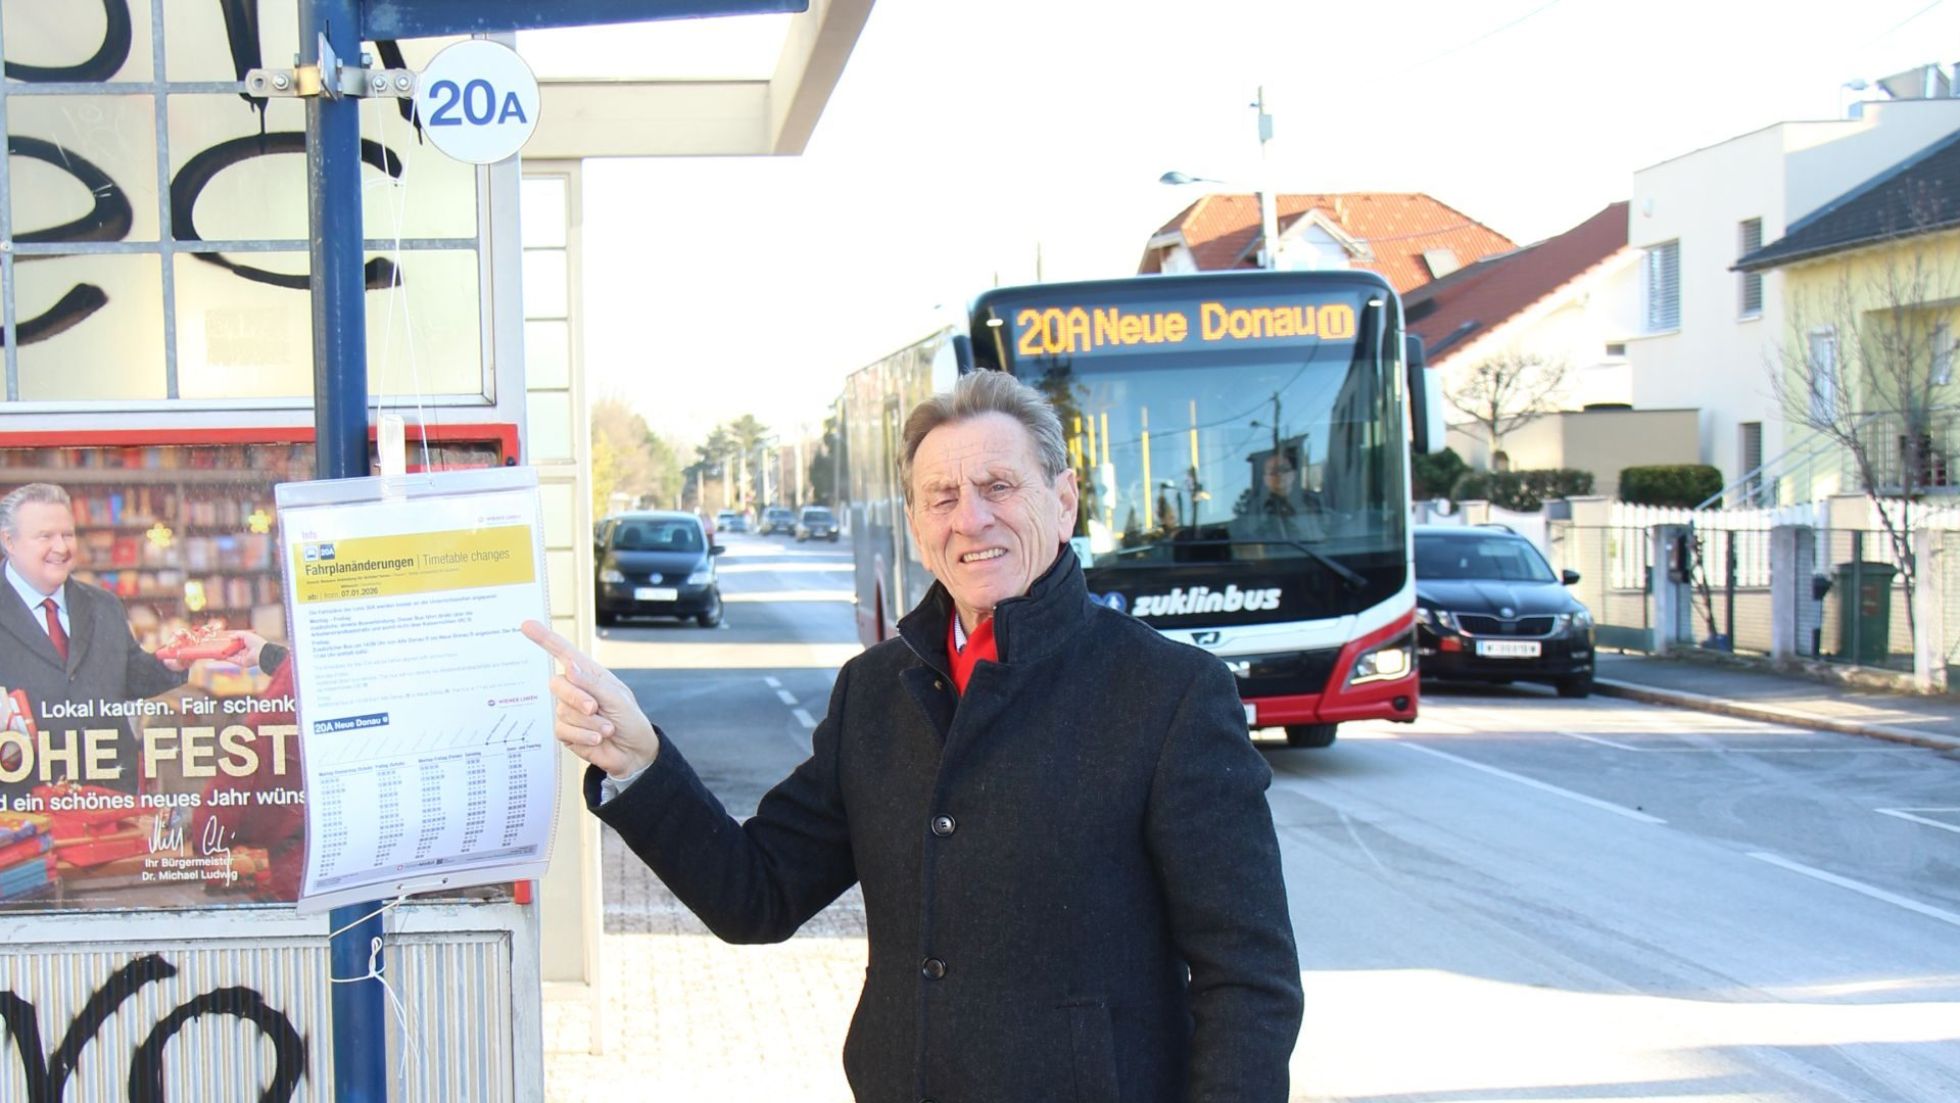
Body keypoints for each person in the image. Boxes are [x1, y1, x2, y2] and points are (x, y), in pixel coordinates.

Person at [524, 371, 1303, 1100]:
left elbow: (1249, 979)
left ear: (1063, 500)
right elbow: (754, 895)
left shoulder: (1170, 695)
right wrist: (641, 761)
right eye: (942, 496)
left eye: (1000, 486)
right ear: (916, 524)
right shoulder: (875, 691)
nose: (971, 517)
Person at [0, 482, 274, 801]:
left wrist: (169, 662)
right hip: (22, 803)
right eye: (45, 536)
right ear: (10, 542)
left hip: (109, 794)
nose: (61, 547)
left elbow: (127, 677)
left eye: (68, 534)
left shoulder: (103, 605)